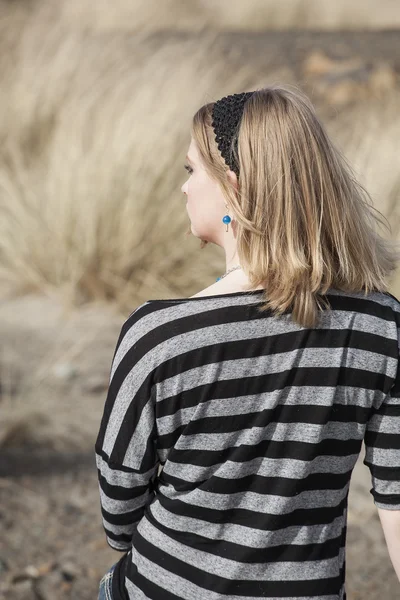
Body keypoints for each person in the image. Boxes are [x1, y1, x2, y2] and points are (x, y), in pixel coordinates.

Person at [95, 84, 400, 600]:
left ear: (234, 188)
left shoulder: (160, 336)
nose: (184, 188)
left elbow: (118, 512)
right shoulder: (382, 326)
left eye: (192, 170)